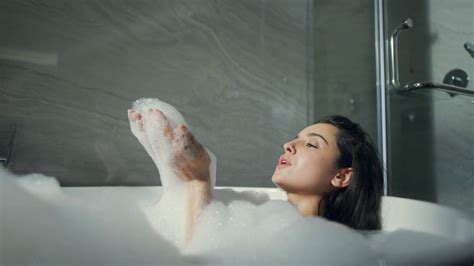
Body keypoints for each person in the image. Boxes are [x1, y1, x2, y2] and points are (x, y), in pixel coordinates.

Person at [128, 109, 383, 242]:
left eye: (312, 144)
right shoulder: (266, 221)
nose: (288, 145)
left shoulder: (321, 249)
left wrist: (198, 183)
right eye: (295, 138)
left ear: (341, 176)